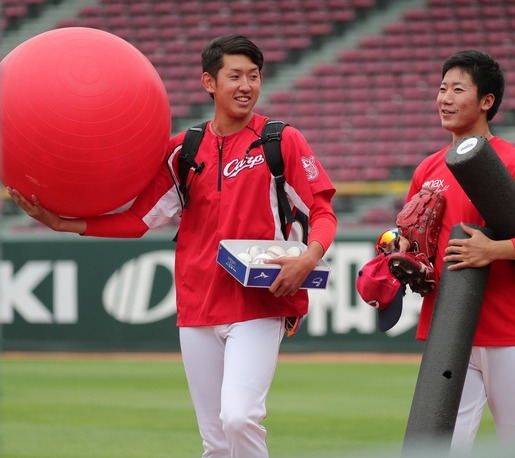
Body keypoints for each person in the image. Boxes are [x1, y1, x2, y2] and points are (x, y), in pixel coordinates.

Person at [8, 34, 337, 458]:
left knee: (238, 417)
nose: (246, 86)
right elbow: (138, 221)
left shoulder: (281, 141)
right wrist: (63, 222)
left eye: (254, 77)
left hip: (261, 302)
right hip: (197, 306)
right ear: (208, 83)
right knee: (215, 441)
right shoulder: (184, 150)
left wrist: (308, 259)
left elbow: (322, 211)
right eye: (234, 76)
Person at [394, 50, 515, 453]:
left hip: (510, 331)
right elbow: (408, 231)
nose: (444, 98)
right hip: (450, 331)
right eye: (442, 88)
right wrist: (399, 249)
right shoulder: (428, 168)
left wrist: (497, 250)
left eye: (457, 89)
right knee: (442, 447)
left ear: (486, 101)